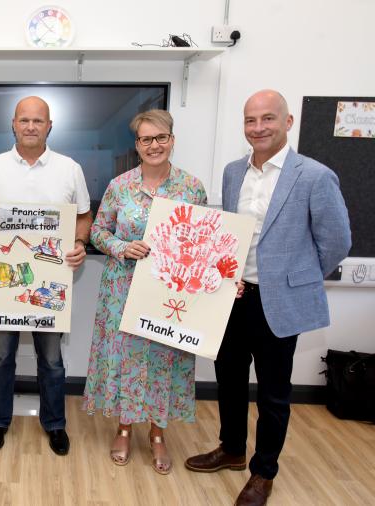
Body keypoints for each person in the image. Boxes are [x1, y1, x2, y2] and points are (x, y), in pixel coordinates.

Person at [185, 90, 351, 505]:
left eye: (267, 119)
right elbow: (228, 231)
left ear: (288, 121)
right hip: (232, 297)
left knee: (275, 392)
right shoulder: (231, 172)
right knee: (229, 380)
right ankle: (232, 449)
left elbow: (336, 241)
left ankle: (264, 471)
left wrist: (297, 277)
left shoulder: (313, 175)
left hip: (279, 302)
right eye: (250, 121)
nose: (258, 128)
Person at [0, 96, 93, 456]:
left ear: (49, 126)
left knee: (51, 360)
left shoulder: (69, 168)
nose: (31, 126)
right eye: (25, 120)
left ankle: (55, 424)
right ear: (14, 124)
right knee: (1, 357)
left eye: (39, 120)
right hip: (3, 283)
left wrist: (81, 241)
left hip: (50, 282)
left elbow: (83, 216)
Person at [83, 109, 207, 475]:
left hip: (171, 295)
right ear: (136, 145)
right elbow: (98, 232)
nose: (154, 145)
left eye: (161, 138)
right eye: (146, 139)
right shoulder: (119, 186)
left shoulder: (191, 188)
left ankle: (157, 434)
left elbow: (204, 241)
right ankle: (123, 427)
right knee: (127, 360)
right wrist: (123, 247)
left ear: (172, 140)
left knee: (163, 361)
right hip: (123, 290)